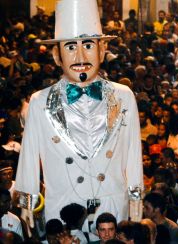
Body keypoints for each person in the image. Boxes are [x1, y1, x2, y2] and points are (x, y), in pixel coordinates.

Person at [15, 0, 143, 234]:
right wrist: (27, 204)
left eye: (88, 45)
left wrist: (136, 199)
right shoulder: (39, 101)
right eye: (71, 47)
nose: (81, 55)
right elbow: (29, 157)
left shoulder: (124, 97)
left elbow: (134, 153)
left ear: (102, 50)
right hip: (63, 206)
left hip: (112, 205)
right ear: (57, 55)